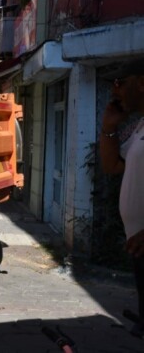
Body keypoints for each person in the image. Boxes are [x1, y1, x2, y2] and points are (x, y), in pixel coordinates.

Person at [99, 58, 144, 336]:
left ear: (142, 83)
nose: (114, 91)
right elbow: (112, 166)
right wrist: (109, 126)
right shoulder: (140, 128)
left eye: (119, 83)